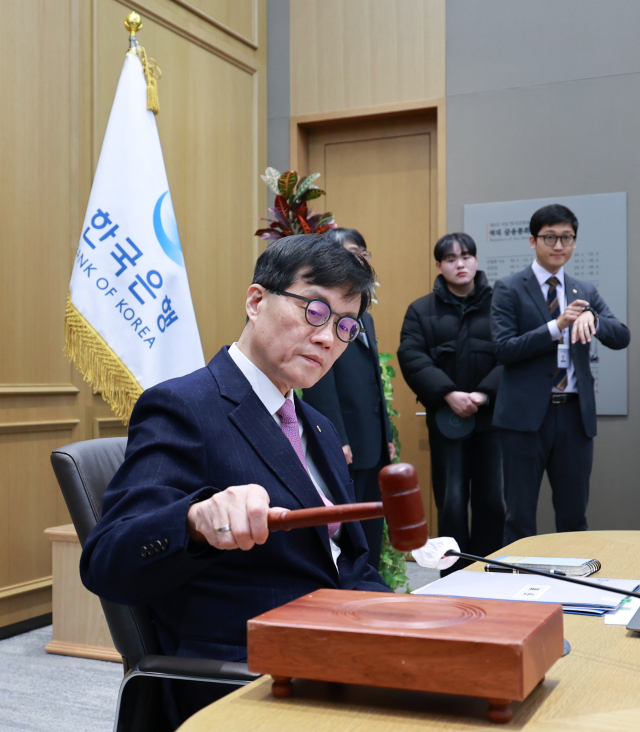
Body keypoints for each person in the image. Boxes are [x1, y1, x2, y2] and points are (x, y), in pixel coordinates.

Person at [80, 234, 391, 725]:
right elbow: (107, 561)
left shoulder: (322, 430)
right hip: (246, 675)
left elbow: (344, 562)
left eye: (346, 326)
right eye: (314, 310)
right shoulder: (185, 406)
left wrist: (405, 621)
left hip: (340, 644)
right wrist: (193, 521)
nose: (328, 337)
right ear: (256, 301)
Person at [491, 204, 630, 545]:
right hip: (524, 417)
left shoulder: (584, 291)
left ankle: (575, 590)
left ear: (574, 242)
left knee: (573, 514)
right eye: (550, 237)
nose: (558, 246)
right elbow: (503, 349)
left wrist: (594, 320)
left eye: (566, 238)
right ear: (532, 240)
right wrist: (557, 326)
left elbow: (621, 335)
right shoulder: (509, 287)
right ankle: (516, 589)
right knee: (519, 513)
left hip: (573, 414)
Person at [397, 233, 505, 568]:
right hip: (447, 421)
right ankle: (456, 576)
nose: (460, 264)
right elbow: (411, 356)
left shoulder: (501, 303)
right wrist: (449, 393)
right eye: (450, 259)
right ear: (439, 266)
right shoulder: (420, 309)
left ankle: (490, 570)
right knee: (452, 502)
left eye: (466, 256)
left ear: (476, 260)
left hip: (493, 420)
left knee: (493, 501)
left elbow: (513, 354)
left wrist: (483, 393)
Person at [302, 228, 394, 568]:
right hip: (345, 437)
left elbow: (374, 382)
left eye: (362, 253)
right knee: (350, 526)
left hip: (372, 439)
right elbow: (320, 381)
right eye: (349, 252)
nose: (358, 260)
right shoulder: (321, 313)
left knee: (372, 519)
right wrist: (336, 436)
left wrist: (387, 435)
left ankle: (369, 585)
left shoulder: (363, 315)